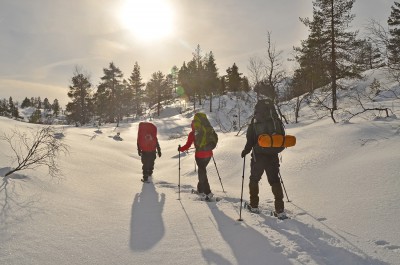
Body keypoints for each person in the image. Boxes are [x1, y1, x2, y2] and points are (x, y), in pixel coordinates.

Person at [240, 97, 287, 219]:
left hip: (258, 156)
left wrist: (246, 150)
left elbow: (250, 140)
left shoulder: (255, 121)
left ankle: (254, 205)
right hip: (273, 155)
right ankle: (280, 210)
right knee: (275, 180)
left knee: (254, 179)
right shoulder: (276, 120)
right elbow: (282, 136)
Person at [178, 118, 214, 200]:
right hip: (208, 155)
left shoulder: (192, 134)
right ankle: (200, 189)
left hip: (200, 156)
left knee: (202, 173)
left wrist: (180, 149)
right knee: (202, 171)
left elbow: (187, 145)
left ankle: (208, 192)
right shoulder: (206, 131)